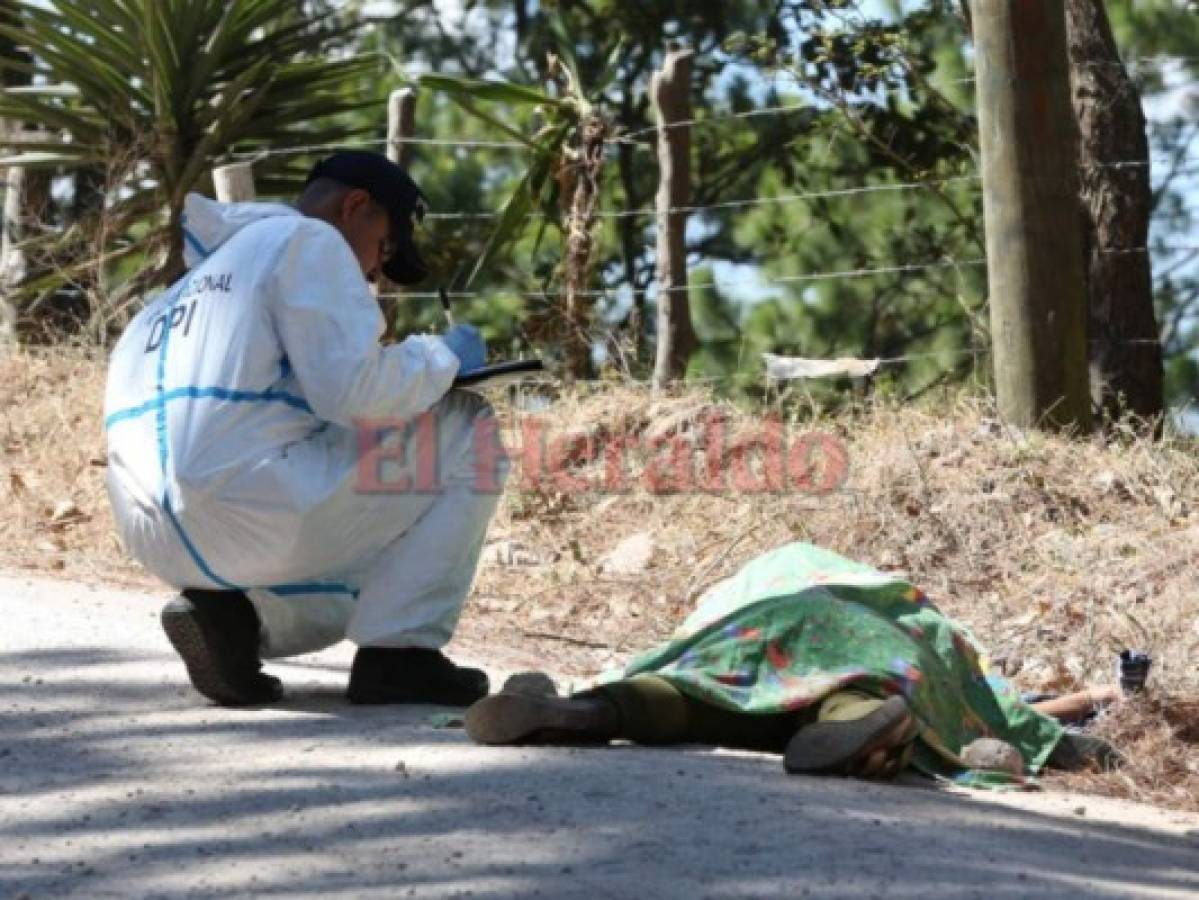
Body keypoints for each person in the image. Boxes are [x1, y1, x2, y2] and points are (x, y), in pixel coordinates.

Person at [104, 150, 509, 708]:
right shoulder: (311, 242)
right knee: (470, 428)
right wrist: (441, 357)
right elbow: (352, 393)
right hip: (245, 502)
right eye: (383, 248)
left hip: (152, 531)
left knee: (378, 536)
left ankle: (237, 620)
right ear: (356, 206)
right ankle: (402, 656)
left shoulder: (182, 290)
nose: (372, 271)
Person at [465, 543, 1119, 782]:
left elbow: (684, 641)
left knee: (693, 692)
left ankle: (588, 710)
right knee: (867, 686)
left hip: (750, 646)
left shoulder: (758, 584)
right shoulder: (908, 614)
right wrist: (1087, 712)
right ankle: (863, 732)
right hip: (857, 647)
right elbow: (1001, 708)